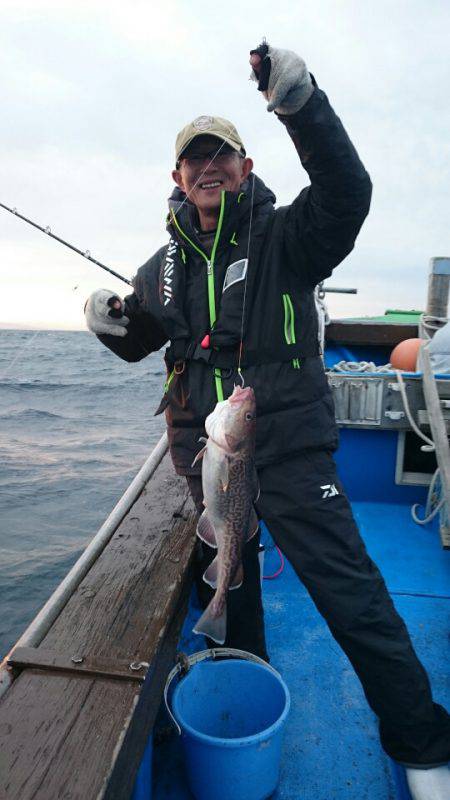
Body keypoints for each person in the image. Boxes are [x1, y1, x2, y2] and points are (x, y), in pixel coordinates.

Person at [85, 43, 450, 799]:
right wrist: (109, 321)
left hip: (287, 452)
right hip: (208, 461)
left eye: (223, 154)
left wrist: (299, 99)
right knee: (235, 590)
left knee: (352, 593)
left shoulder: (290, 234)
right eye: (195, 160)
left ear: (246, 167)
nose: (208, 166)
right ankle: (246, 688)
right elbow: (140, 340)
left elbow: (349, 191)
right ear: (176, 179)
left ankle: (420, 738)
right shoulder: (162, 269)